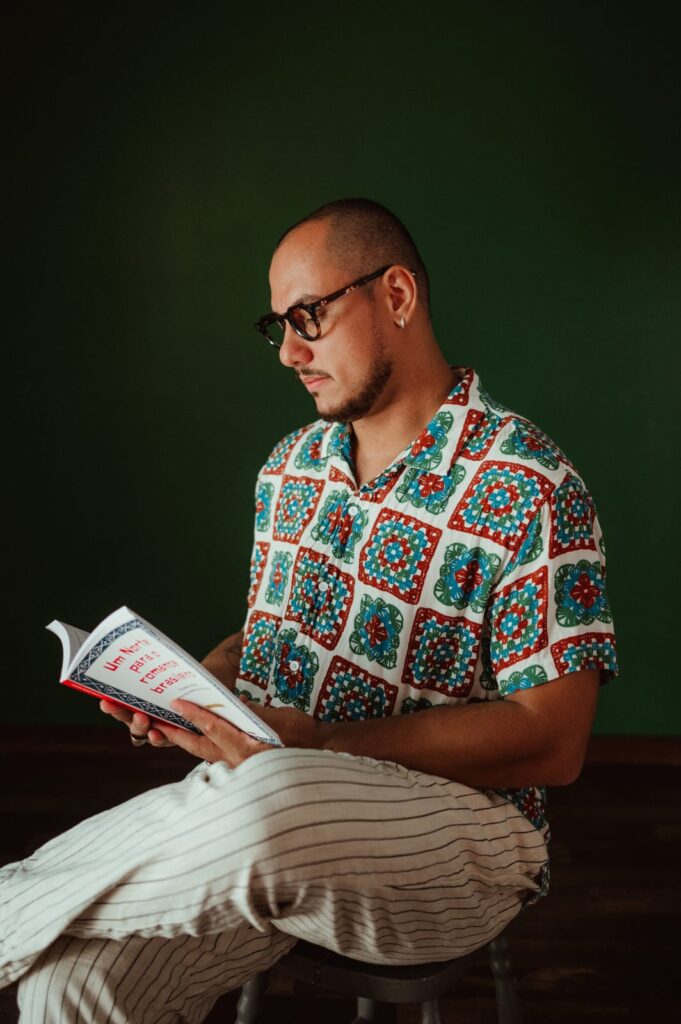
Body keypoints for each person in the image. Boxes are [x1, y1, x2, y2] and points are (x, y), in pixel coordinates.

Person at [0, 198, 618, 1022]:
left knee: (270, 794)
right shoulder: (290, 469)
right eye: (277, 325)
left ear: (395, 295)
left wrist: (322, 746)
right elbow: (265, 637)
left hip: (465, 838)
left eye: (309, 317)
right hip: (270, 831)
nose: (289, 351)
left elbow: (556, 739)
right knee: (65, 985)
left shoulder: (530, 483)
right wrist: (200, 682)